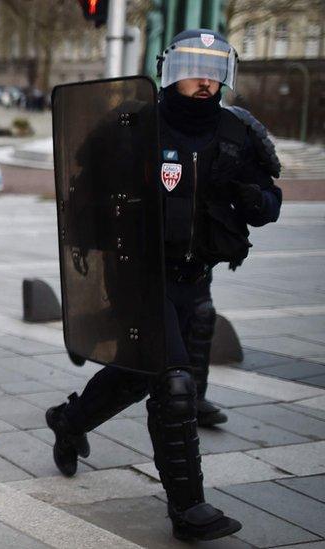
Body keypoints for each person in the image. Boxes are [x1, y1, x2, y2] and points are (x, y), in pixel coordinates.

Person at [45, 29, 281, 541]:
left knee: (136, 376)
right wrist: (116, 215)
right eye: (194, 68)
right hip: (138, 278)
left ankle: (69, 421)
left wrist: (256, 200)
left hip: (194, 279)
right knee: (175, 387)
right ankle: (188, 510)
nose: (205, 80)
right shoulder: (131, 126)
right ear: (172, 70)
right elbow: (81, 193)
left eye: (215, 70)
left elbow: (268, 197)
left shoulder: (238, 132)